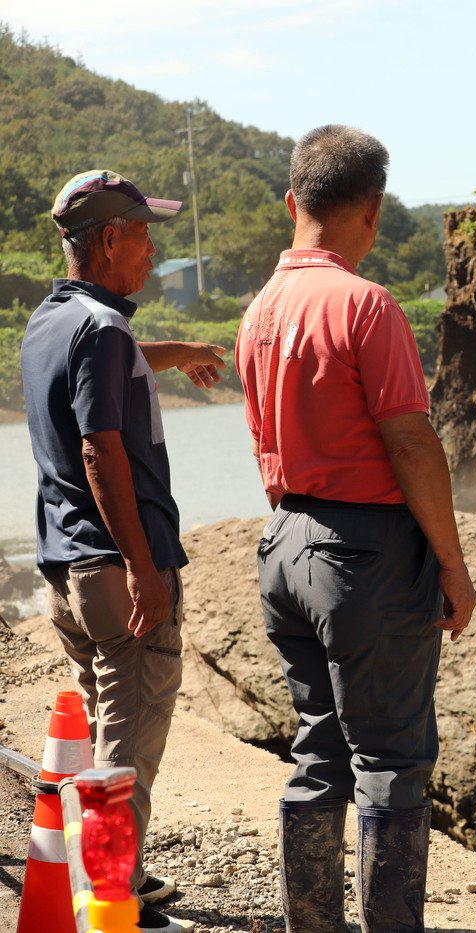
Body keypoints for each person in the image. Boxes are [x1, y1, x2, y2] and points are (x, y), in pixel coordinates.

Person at [236, 125, 476, 933]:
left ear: (291, 202)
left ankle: (311, 923)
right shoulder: (365, 306)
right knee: (392, 761)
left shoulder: (259, 310)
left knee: (319, 746)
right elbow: (410, 439)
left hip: (285, 541)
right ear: (371, 212)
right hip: (364, 557)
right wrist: (451, 561)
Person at [22, 170, 227, 933]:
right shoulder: (101, 331)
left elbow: (121, 357)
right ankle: (115, 901)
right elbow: (102, 447)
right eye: (143, 233)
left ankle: (106, 873)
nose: (150, 248)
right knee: (126, 749)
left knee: (109, 735)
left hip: (67, 572)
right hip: (116, 570)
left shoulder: (52, 321)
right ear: (110, 239)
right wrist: (145, 567)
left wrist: (187, 351)